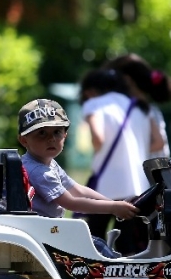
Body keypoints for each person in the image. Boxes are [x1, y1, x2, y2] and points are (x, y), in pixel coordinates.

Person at [17, 99, 139, 257]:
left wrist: (112, 203)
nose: (51, 139)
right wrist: (113, 208)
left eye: (57, 132)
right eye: (41, 133)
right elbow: (71, 202)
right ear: (24, 140)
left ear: (65, 135)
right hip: (43, 234)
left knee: (97, 244)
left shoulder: (48, 163)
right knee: (99, 251)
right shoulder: (39, 171)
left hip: (46, 229)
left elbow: (78, 189)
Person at [79, 69, 152, 253]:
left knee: (92, 240)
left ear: (90, 91)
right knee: (130, 246)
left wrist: (96, 149)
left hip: (106, 186)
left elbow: (98, 138)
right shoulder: (139, 107)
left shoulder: (94, 104)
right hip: (138, 187)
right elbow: (157, 141)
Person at [103, 53, 171, 158]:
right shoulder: (148, 109)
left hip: (148, 172)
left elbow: (159, 143)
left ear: (127, 79)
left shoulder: (140, 110)